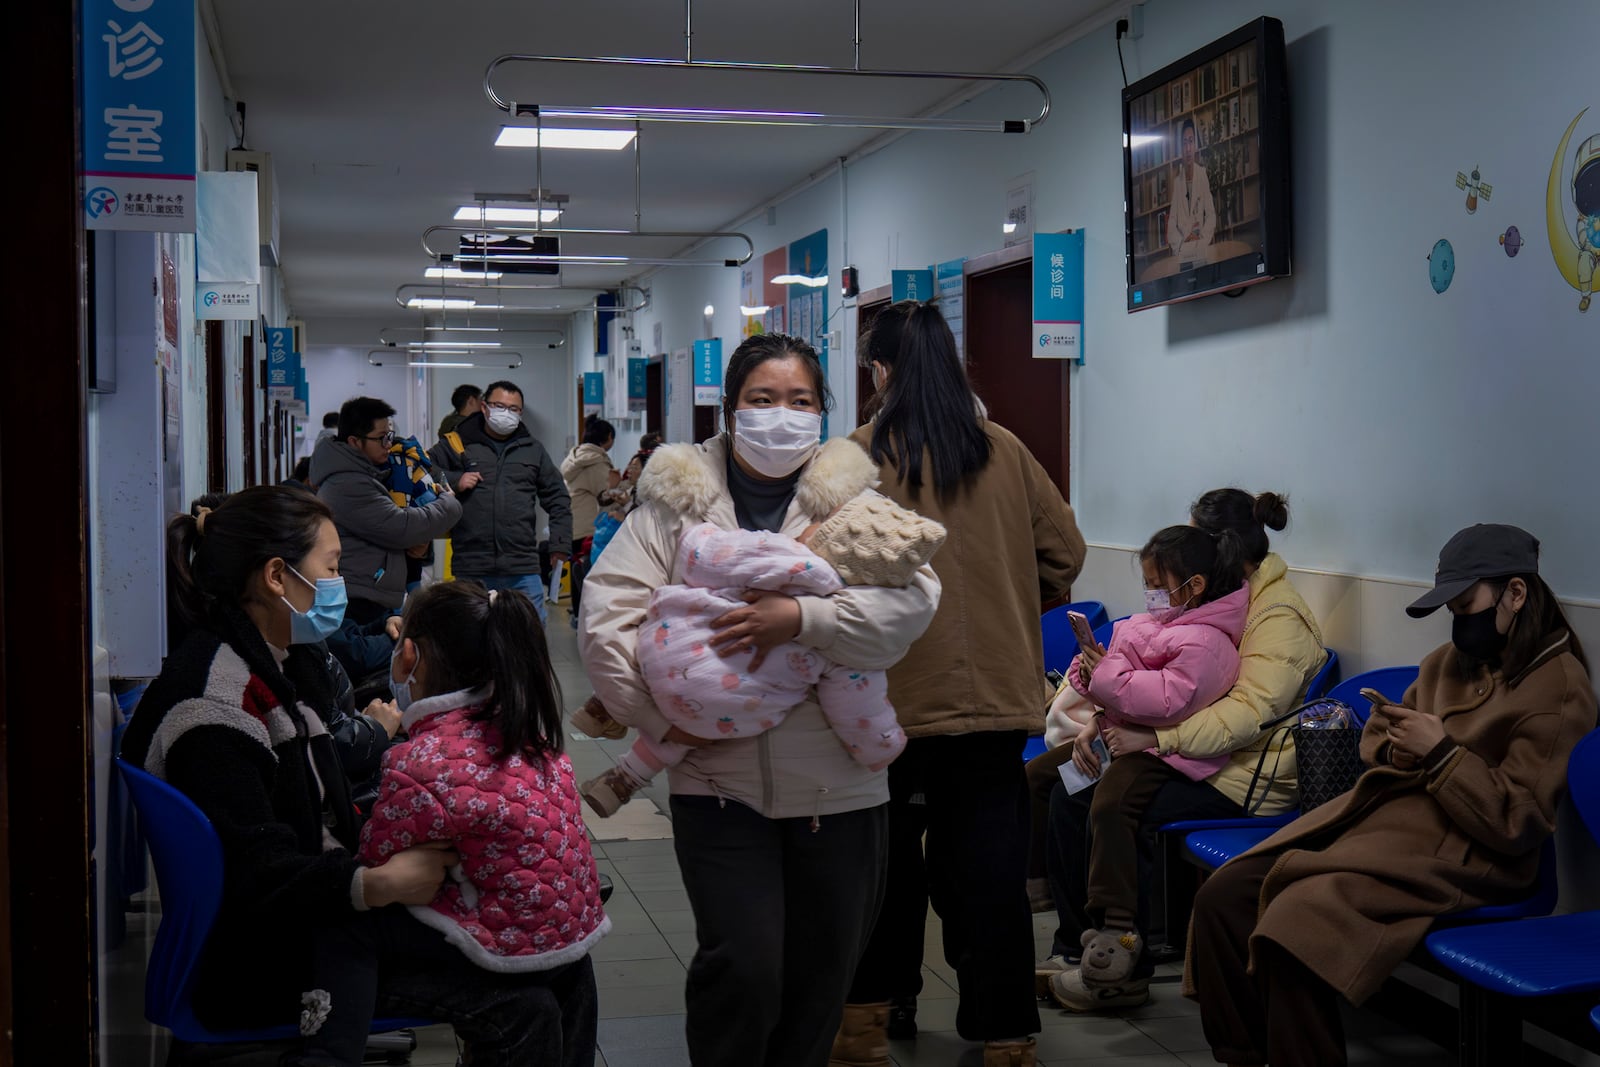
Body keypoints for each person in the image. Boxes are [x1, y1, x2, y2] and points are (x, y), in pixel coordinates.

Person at [121, 486, 593, 1066]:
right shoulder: (215, 707)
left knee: (565, 960)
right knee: (527, 1005)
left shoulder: (276, 661)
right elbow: (254, 873)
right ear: (276, 575)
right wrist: (378, 884)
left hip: (318, 915)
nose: (340, 583)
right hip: (272, 953)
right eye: (333, 567)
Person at [580, 332, 941, 1067]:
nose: (781, 415)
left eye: (800, 401)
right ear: (731, 409)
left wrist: (804, 620)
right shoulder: (673, 508)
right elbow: (606, 616)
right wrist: (667, 720)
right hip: (717, 785)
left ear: (823, 410)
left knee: (819, 978)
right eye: (762, 399)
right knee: (742, 965)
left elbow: (909, 612)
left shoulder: (857, 507)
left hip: (840, 788)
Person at [1189, 523, 1595, 1066]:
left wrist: (1441, 753)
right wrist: (1403, 744)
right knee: (1225, 894)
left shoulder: (1559, 688)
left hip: (1472, 858)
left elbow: (1517, 821)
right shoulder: (1450, 661)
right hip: (1391, 827)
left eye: (1464, 603)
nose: (1457, 621)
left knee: (1295, 924)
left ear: (1515, 593)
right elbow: (1380, 737)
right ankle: (1241, 1052)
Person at [838, 301, 1086, 1067]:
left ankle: (869, 1025)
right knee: (988, 874)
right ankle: (1006, 1036)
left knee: (880, 872)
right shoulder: (1003, 450)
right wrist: (1010, 604)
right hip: (993, 706)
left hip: (883, 706)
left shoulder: (853, 458)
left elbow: (821, 577)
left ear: (878, 371)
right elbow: (1065, 555)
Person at [1038, 488, 1325, 1012]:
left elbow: (1244, 715)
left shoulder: (1278, 615)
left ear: (1214, 551)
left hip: (1242, 775)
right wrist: (1102, 720)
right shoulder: (1211, 596)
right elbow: (1150, 671)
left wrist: (1153, 739)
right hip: (1191, 752)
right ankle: (1077, 949)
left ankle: (1124, 968)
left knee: (1112, 805)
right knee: (1066, 788)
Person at [350, 581, 604, 1058]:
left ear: (408, 656)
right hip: (564, 940)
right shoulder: (531, 736)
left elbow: (377, 865)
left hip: (498, 949)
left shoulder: (420, 761)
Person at [574, 494, 945, 816]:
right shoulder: (842, 607)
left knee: (658, 658)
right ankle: (624, 779)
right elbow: (856, 700)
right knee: (683, 734)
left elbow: (697, 555)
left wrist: (707, 535)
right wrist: (881, 747)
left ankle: (600, 709)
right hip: (727, 711)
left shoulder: (781, 554)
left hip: (668, 650)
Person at [1042, 524, 1248, 1008]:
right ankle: (1058, 916)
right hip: (1120, 734)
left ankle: (1116, 939)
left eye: (1159, 583)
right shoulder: (1150, 624)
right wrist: (1088, 670)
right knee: (1046, 784)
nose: (1151, 594)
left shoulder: (1206, 640)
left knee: (1105, 803)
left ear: (1194, 585)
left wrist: (1107, 675)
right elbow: (1113, 679)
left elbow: (1163, 701)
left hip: (1164, 752)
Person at [311, 397, 462, 624]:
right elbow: (402, 527)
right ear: (354, 441)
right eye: (381, 438)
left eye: (389, 436)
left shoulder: (366, 473)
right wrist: (448, 503)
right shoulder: (346, 484)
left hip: (371, 594)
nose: (389, 445)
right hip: (359, 600)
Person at [431, 381, 571, 626]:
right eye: (499, 406)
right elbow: (423, 470)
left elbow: (558, 497)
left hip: (522, 565)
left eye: (514, 409)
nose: (506, 413)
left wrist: (560, 543)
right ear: (484, 407)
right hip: (472, 564)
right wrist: (454, 479)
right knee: (472, 639)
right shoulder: (457, 444)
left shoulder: (532, 450)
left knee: (528, 637)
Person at [561, 415, 619, 629]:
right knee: (585, 572)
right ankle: (584, 617)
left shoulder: (576, 456)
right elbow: (604, 493)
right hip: (587, 524)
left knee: (578, 568)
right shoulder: (596, 461)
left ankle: (577, 615)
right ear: (608, 437)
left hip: (573, 521)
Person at [1166, 117, 1216, 265]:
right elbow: (1171, 223)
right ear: (1181, 148)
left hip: (1200, 247)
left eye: (1191, 141)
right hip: (1183, 253)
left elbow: (1211, 215)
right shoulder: (1177, 183)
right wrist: (1182, 243)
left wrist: (1201, 239)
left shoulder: (1202, 175)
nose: (1188, 148)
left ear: (1195, 145)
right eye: (1184, 143)